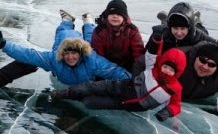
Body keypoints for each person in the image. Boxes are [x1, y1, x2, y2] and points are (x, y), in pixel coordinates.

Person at [0, 11, 130, 86]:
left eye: (74, 54)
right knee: (62, 34)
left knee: (90, 40)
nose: (70, 57)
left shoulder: (92, 60)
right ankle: (67, 21)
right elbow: (28, 55)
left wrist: (133, 82)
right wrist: (4, 45)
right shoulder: (55, 59)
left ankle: (88, 22)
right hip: (64, 40)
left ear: (80, 54)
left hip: (79, 42)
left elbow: (115, 71)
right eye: (67, 54)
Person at [54, 47, 185, 121]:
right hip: (122, 86)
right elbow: (152, 53)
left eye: (172, 70)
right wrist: (156, 38)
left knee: (90, 102)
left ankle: (76, 97)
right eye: (166, 67)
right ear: (161, 64)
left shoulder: (175, 89)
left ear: (177, 72)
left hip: (130, 105)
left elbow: (176, 105)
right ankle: (66, 93)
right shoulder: (153, 69)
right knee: (92, 86)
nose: (167, 71)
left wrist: (166, 112)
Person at [145, 2, 218, 67]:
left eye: (183, 28)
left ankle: (197, 19)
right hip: (167, 29)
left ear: (189, 27)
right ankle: (165, 19)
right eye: (175, 28)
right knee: (164, 27)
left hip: (196, 29)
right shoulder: (160, 32)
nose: (179, 33)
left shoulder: (199, 36)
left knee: (201, 28)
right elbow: (145, 54)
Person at [87, 0, 146, 75]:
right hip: (107, 66)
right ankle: (87, 24)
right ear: (107, 16)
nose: (115, 16)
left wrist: (137, 72)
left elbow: (138, 53)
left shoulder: (132, 30)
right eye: (112, 14)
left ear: (124, 17)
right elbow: (98, 55)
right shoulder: (99, 31)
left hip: (128, 65)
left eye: (118, 14)